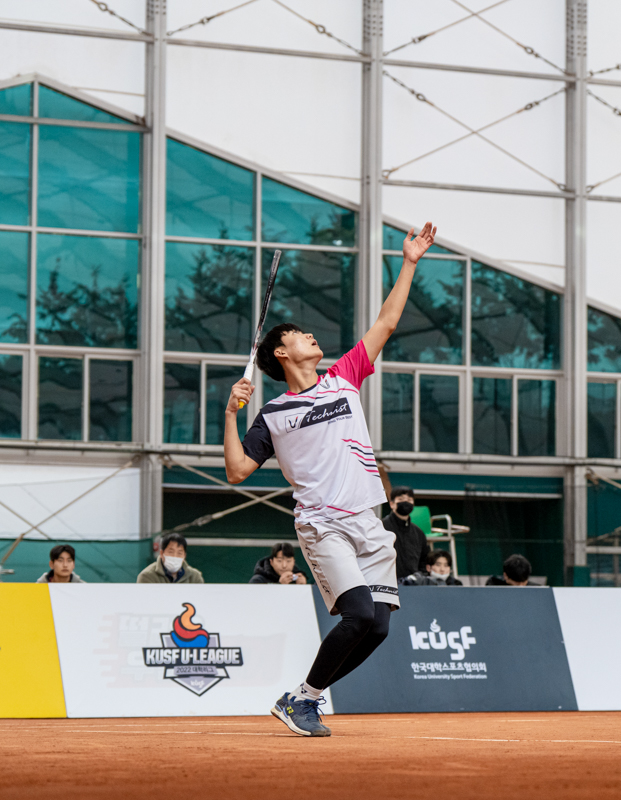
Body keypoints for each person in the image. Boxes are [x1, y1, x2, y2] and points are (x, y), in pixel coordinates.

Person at [224, 221, 436, 738]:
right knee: (359, 615)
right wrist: (230, 414)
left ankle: (302, 698)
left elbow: (386, 323)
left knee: (378, 627)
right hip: (323, 525)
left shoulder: (343, 377)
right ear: (281, 352)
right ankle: (304, 699)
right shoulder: (273, 414)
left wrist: (408, 263)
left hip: (368, 521)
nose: (310, 335)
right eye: (299, 334)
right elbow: (237, 471)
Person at [382, 485, 429, 584]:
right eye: (401, 499)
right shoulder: (382, 528)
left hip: (413, 586)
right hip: (386, 583)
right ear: (391, 504)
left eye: (409, 499)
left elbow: (423, 561)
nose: (406, 502)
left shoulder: (418, 533)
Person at [136, 533, 204, 584]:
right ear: (162, 553)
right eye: (171, 552)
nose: (175, 556)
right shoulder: (147, 576)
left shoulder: (195, 577)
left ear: (184, 556)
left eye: (179, 553)